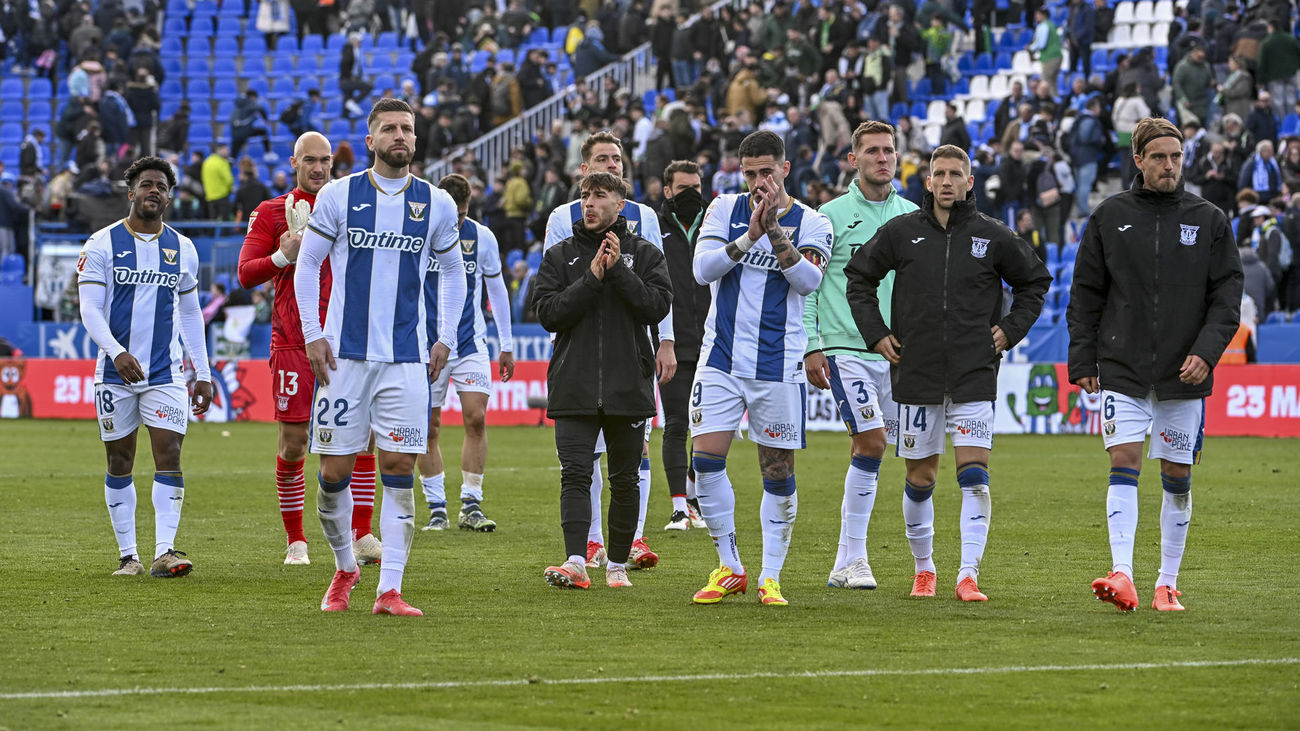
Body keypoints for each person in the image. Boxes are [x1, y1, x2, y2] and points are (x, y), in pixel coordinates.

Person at [844, 145, 1051, 602]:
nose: (946, 181)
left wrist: (1010, 330)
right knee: (921, 479)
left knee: (974, 475)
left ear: (969, 182)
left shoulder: (993, 235)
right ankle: (925, 570)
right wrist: (876, 333)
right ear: (928, 180)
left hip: (974, 373)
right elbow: (858, 279)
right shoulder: (901, 232)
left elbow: (1036, 282)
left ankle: (968, 575)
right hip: (916, 373)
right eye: (939, 173)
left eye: (956, 174)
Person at [293, 99, 467, 616]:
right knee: (332, 475)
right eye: (389, 129)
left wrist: (445, 337)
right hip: (343, 358)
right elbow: (308, 265)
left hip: (406, 360)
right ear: (370, 141)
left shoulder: (436, 203)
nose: (399, 136)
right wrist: (312, 334)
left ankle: (389, 589)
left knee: (397, 469)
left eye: (407, 129)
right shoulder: (339, 195)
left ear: (415, 138)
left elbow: (454, 273)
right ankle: (345, 566)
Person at [1067, 117, 1243, 613]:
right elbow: (1085, 294)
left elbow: (1227, 297)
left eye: (1176, 157)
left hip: (1184, 372)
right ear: (1139, 160)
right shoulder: (1110, 216)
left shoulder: (1208, 219)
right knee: (1123, 460)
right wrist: (1083, 356)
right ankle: (1122, 574)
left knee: (1177, 475)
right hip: (1122, 366)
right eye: (1159, 157)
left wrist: (1206, 353)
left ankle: (1167, 582)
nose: (1169, 165)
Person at [689, 130, 834, 607]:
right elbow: (702, 271)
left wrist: (772, 228)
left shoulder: (812, 221)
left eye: (766, 172)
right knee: (705, 461)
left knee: (777, 470)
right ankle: (731, 567)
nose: (758, 182)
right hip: (721, 358)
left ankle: (771, 576)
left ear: (785, 169)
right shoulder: (722, 209)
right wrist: (749, 234)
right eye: (750, 173)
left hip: (778, 362)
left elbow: (808, 281)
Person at [237, 132, 383, 566]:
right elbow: (245, 274)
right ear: (294, 163)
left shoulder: (354, 206)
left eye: (325, 161)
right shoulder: (271, 211)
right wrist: (283, 256)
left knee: (362, 438)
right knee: (295, 443)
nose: (318, 168)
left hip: (349, 340)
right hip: (294, 340)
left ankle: (361, 534)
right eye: (309, 161)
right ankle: (296, 540)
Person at [532, 172, 672, 589]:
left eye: (599, 196)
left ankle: (617, 566)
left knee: (625, 480)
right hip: (573, 384)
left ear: (620, 205)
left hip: (629, 384)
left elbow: (656, 307)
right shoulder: (560, 255)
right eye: (585, 196)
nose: (589, 203)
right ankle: (576, 562)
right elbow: (547, 313)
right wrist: (592, 278)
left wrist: (618, 273)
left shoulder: (644, 254)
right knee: (575, 474)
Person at [77, 156, 214, 578]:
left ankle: (165, 552)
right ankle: (128, 557)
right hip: (113, 373)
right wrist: (116, 352)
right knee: (120, 458)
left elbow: (190, 313)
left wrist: (203, 372)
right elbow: (89, 309)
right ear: (131, 192)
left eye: (162, 186)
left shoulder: (183, 249)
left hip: (165, 373)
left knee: (169, 453)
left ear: (169, 198)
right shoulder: (101, 244)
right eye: (147, 184)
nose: (154, 191)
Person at [805, 121, 918, 590]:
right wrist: (812, 344)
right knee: (872, 442)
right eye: (872, 151)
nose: (882, 158)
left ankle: (848, 562)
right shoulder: (827, 217)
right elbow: (810, 286)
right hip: (844, 348)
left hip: (899, 354)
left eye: (888, 150)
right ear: (853, 159)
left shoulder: (914, 215)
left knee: (896, 453)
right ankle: (854, 559)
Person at [417, 174, 516, 532]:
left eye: (462, 214)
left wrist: (506, 344)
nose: (457, 221)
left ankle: (471, 504)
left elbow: (497, 290)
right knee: (428, 426)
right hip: (426, 346)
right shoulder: (419, 233)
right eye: (452, 214)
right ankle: (436, 508)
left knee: (476, 418)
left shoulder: (481, 237)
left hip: (470, 343)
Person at [656, 160, 711, 532]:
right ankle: (679, 507)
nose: (691, 194)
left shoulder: (715, 225)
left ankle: (693, 496)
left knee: (707, 428)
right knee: (676, 423)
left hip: (712, 342)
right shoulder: (654, 227)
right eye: (683, 189)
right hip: (672, 343)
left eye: (696, 188)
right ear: (667, 191)